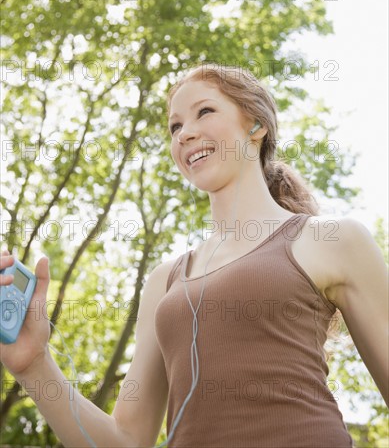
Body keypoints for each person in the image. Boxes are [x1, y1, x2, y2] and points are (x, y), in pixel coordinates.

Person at [0, 63, 387, 447]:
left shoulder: (332, 239)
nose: (185, 133)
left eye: (205, 111)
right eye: (175, 126)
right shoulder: (164, 283)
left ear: (256, 125)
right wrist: (34, 365)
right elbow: (125, 441)